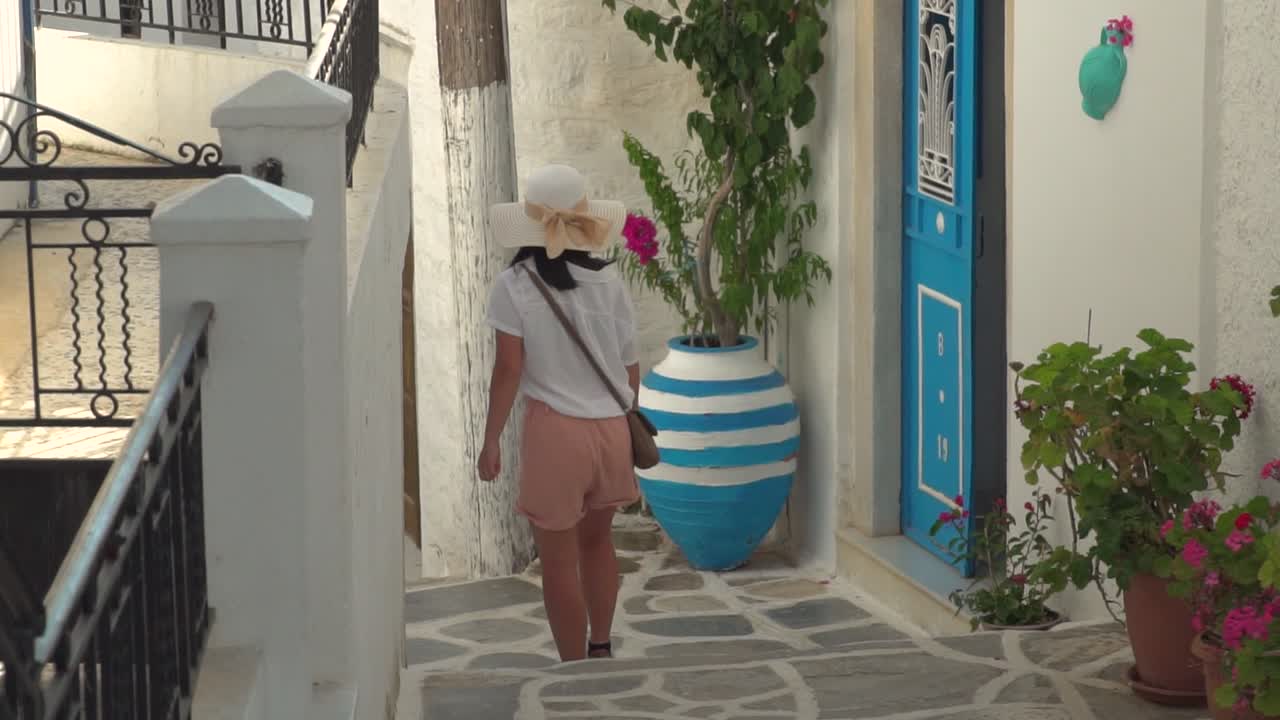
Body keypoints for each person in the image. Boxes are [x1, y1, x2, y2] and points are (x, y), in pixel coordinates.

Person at [478, 164, 641, 662]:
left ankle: (573, 670)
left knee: (558, 561)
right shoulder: (609, 279)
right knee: (598, 544)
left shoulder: (514, 285)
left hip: (556, 433)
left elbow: (509, 368)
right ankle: (601, 647)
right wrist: (624, 420)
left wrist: (490, 440)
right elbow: (630, 366)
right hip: (611, 428)